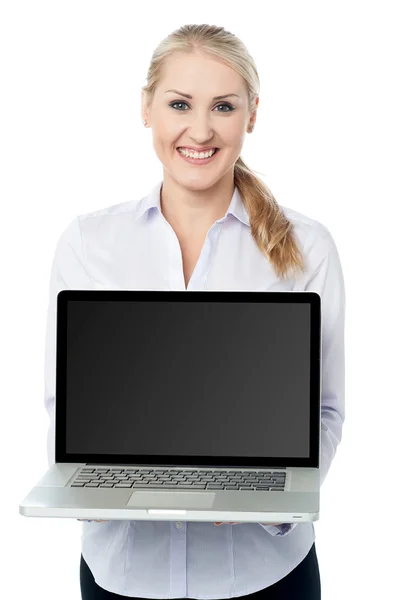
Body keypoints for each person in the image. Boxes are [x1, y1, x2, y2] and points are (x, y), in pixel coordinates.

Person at [44, 23, 345, 600]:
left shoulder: (309, 247)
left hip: (266, 575)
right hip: (125, 576)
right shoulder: (89, 241)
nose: (200, 130)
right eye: (179, 104)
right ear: (146, 108)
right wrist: (91, 492)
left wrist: (273, 501)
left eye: (224, 106)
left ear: (252, 114)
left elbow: (326, 410)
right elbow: (69, 408)